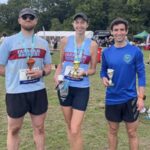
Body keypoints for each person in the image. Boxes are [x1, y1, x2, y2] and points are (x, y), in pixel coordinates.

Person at [0, 8, 51, 150]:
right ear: (19, 20)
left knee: (39, 128)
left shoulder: (43, 43)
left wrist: (41, 72)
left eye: (31, 17)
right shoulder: (8, 42)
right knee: (14, 130)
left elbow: (48, 67)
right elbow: (0, 66)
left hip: (38, 91)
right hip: (16, 92)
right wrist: (13, 76)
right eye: (24, 17)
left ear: (36, 20)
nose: (28, 19)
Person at [54, 12, 98, 150]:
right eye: (77, 22)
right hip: (64, 87)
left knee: (74, 128)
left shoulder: (92, 45)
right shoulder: (65, 41)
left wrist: (84, 72)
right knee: (70, 127)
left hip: (81, 88)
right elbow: (60, 64)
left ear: (87, 25)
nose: (80, 25)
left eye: (82, 22)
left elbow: (93, 70)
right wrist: (56, 77)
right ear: (73, 24)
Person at [100, 18, 146, 150]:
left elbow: (141, 76)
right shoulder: (106, 52)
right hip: (112, 98)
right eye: (116, 30)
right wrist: (103, 78)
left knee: (132, 132)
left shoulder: (135, 51)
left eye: (121, 30)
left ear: (126, 31)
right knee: (113, 131)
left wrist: (141, 97)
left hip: (130, 98)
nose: (119, 32)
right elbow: (103, 71)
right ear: (111, 32)